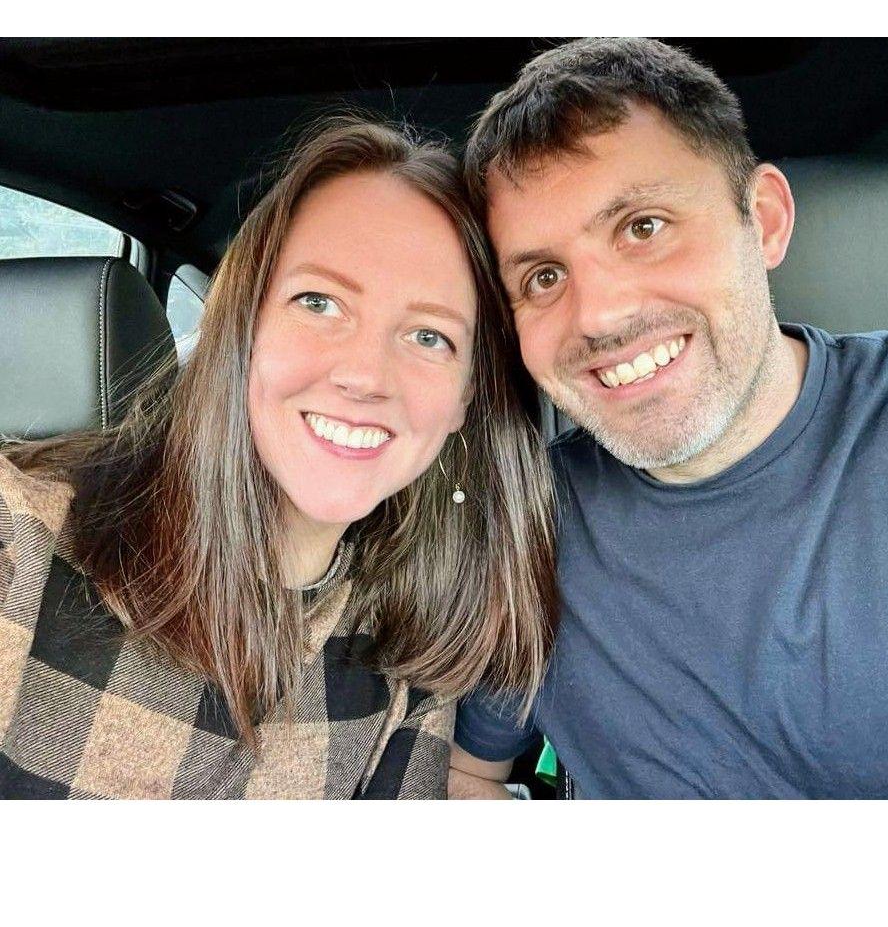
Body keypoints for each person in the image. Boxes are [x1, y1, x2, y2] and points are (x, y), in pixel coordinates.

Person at [449, 37, 888, 799]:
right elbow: (466, 772)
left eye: (643, 227)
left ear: (766, 219)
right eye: (544, 276)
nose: (599, 316)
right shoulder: (524, 532)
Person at [0, 119, 556, 799]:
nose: (366, 376)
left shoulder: (411, 655)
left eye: (429, 336)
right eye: (318, 302)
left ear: (465, 397)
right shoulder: (20, 545)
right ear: (244, 327)